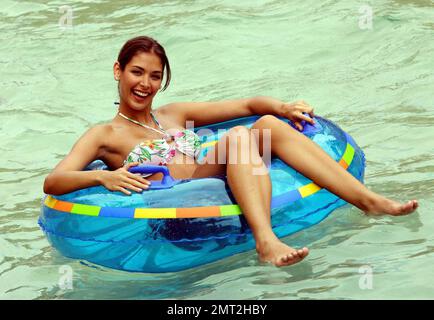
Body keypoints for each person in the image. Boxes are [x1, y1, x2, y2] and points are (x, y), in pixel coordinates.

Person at [43, 36, 419, 267]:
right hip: (173, 195)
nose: (145, 84)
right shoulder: (104, 135)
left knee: (266, 126)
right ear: (118, 71)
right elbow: (54, 181)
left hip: (208, 173)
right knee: (240, 137)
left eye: (155, 76)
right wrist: (104, 175)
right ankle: (266, 241)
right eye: (137, 72)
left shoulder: (174, 114)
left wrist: (283, 106)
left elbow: (247, 104)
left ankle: (370, 202)